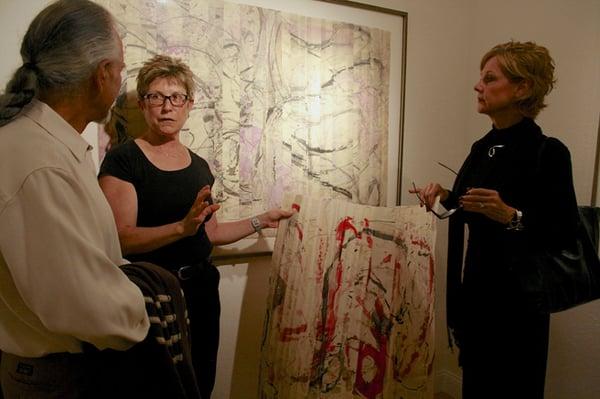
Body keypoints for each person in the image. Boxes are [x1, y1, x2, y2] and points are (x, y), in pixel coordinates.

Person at [98, 54, 294, 398]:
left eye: (176, 98)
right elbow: (121, 239)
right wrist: (180, 229)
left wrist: (261, 220)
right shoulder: (124, 159)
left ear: (189, 105)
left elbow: (212, 233)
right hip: (150, 294)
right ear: (143, 104)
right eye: (156, 97)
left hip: (201, 291)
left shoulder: (199, 166)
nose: (166, 107)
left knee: (200, 384)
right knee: (154, 389)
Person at [411, 41, 579, 399]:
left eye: (489, 78)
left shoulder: (548, 152)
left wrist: (511, 216)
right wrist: (442, 196)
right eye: (481, 78)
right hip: (477, 295)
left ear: (523, 88)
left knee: (515, 387)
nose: (478, 86)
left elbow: (564, 232)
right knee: (477, 386)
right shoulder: (481, 148)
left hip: (521, 304)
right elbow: (462, 207)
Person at [0, 0, 151, 397]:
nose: (120, 80)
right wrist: (144, 307)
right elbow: (85, 304)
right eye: (119, 68)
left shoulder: (47, 146)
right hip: (58, 377)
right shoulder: (39, 160)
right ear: (102, 74)